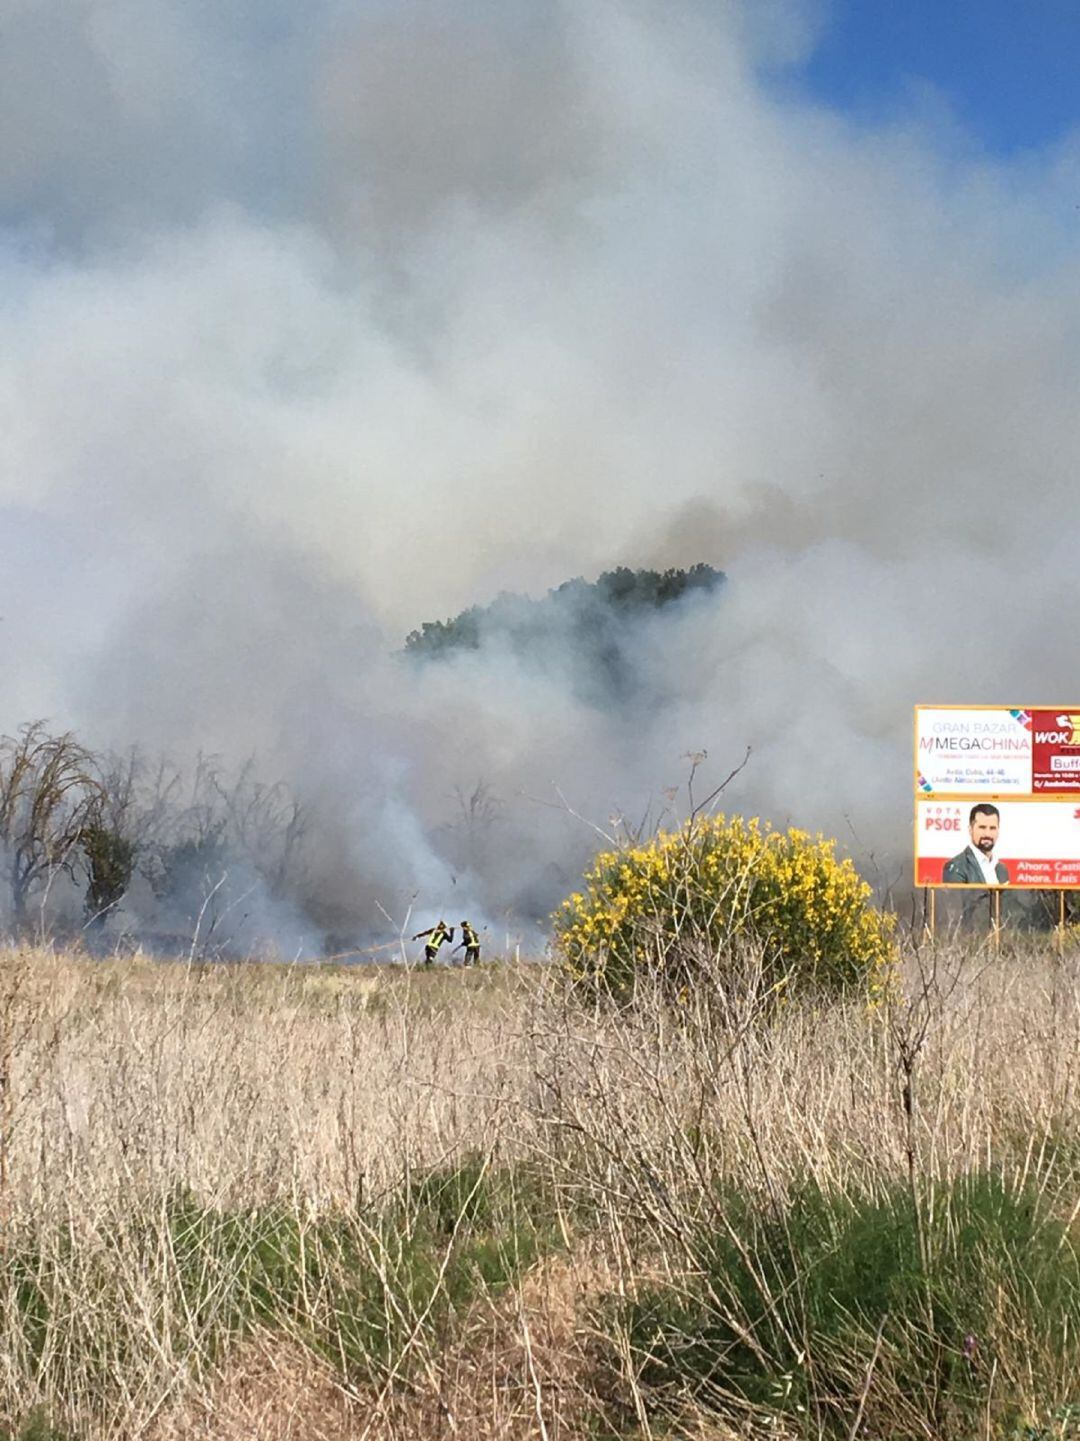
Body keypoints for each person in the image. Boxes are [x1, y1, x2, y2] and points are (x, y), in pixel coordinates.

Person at [943, 804, 1010, 885]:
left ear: (998, 831)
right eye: (982, 827)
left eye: (992, 828)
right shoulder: (956, 867)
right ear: (970, 830)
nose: (987, 834)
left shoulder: (1001, 869)